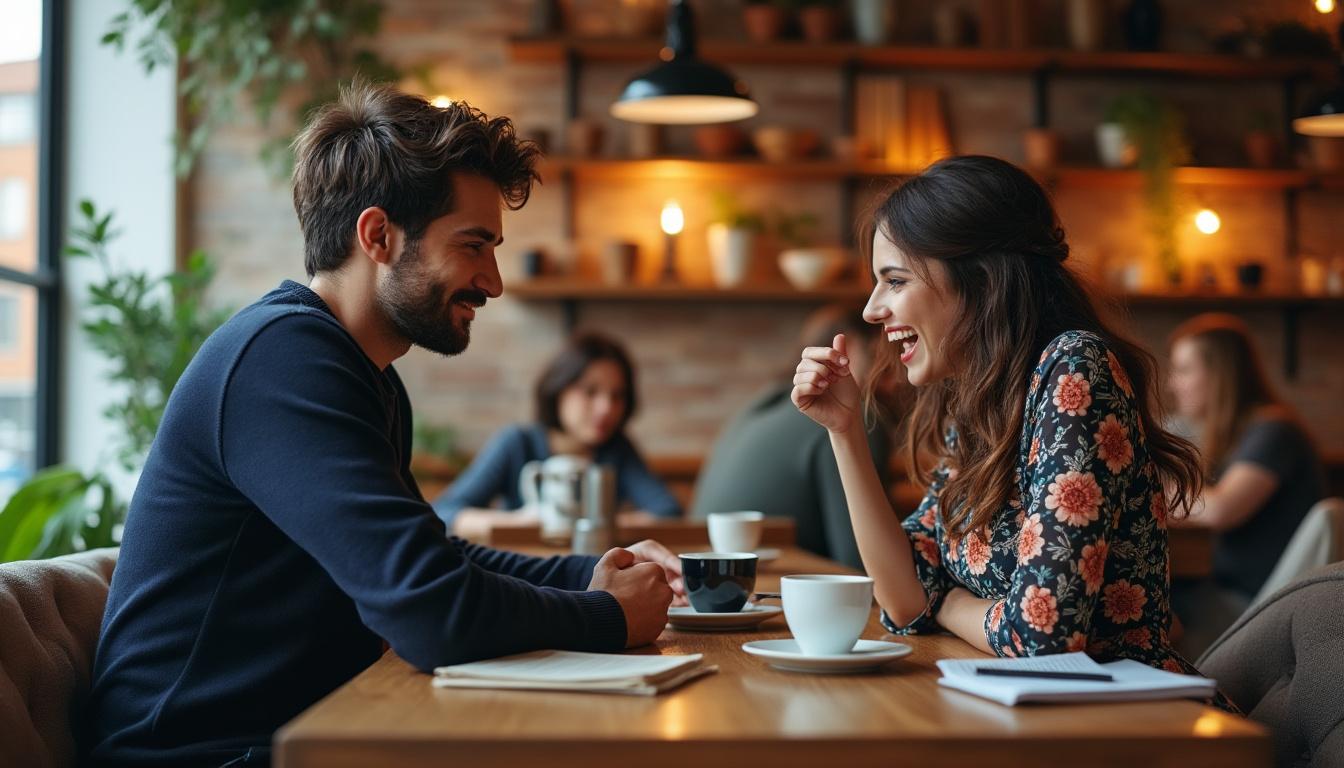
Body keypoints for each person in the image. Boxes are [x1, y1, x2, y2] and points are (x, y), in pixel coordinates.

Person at [83, 82, 684, 767]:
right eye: (473, 245)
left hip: (301, 737)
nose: (493, 281)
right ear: (377, 236)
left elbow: (433, 560)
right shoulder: (281, 361)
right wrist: (606, 616)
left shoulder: (363, 375)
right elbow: (430, 613)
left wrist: (586, 574)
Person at [789, 155, 1227, 696]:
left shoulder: (1075, 369)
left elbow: (1042, 640)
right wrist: (845, 430)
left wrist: (945, 600)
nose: (872, 310)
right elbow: (903, 598)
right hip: (1036, 714)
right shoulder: (977, 400)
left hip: (1132, 722)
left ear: (979, 278)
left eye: (894, 281)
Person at [1166, 313, 1327, 654]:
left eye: (1183, 370)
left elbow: (1222, 508)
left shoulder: (1274, 430)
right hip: (1229, 592)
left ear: (1220, 374)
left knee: (1149, 602)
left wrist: (1146, 494)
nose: (1172, 384)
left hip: (1252, 602)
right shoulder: (1243, 433)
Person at [690, 304, 897, 569]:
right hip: (769, 588)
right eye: (886, 363)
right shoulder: (855, 418)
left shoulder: (764, 404)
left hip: (710, 579)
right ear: (848, 351)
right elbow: (863, 565)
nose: (898, 381)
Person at [435, 331, 682, 537]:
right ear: (558, 390)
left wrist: (596, 525)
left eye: (617, 396)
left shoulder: (616, 448)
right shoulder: (517, 443)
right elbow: (444, 513)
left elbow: (667, 511)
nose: (606, 408)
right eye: (590, 391)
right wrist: (518, 521)